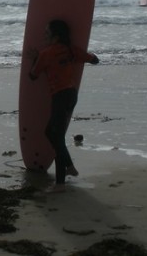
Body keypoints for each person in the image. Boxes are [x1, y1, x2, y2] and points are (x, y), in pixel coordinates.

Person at [28, 19, 99, 192]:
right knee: (54, 134)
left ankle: (63, 178)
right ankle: (67, 171)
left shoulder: (46, 54)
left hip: (59, 97)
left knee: (56, 137)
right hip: (71, 95)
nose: (44, 35)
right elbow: (94, 60)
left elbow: (33, 76)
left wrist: (35, 58)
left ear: (56, 36)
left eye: (47, 33)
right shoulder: (71, 50)